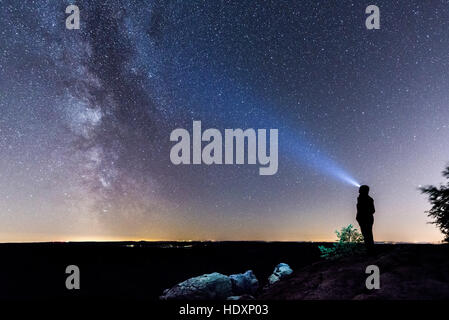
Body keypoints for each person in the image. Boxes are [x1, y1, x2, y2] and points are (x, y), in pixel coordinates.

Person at [356, 185, 375, 254]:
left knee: (368, 235)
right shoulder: (360, 198)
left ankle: (370, 251)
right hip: (364, 219)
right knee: (366, 234)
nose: (359, 191)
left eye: (360, 189)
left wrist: (364, 214)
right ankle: (369, 250)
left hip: (367, 219)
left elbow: (373, 210)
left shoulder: (368, 199)